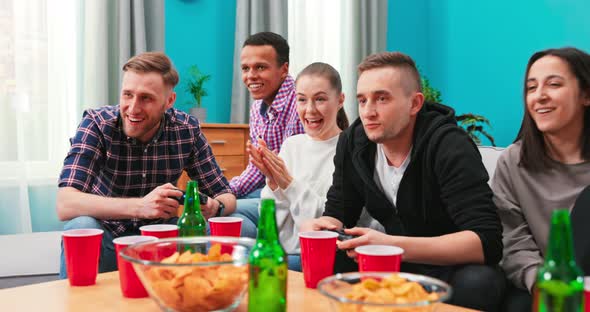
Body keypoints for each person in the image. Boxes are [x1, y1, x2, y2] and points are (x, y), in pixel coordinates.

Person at [301, 52, 505, 311]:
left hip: (448, 267)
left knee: (479, 283)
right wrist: (323, 228)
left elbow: (486, 241)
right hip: (390, 263)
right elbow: (339, 211)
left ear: (415, 104)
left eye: (381, 98)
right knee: (330, 262)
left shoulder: (448, 145)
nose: (368, 112)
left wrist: (392, 245)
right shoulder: (353, 142)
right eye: (362, 100)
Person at [56, 52, 236, 278]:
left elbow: (226, 195)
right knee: (80, 226)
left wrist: (215, 207)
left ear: (169, 101)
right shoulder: (96, 124)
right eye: (127, 95)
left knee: (231, 229)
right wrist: (141, 206)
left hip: (163, 242)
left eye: (146, 98)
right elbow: (65, 203)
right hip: (109, 240)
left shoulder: (186, 129)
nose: (133, 108)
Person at [493, 47, 590, 311]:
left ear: (586, 94)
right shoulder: (514, 163)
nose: (540, 96)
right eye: (531, 88)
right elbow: (512, 241)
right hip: (544, 286)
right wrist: (545, 284)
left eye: (554, 84)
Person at [248, 62, 349, 270]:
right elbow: (273, 225)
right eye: (302, 100)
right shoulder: (292, 145)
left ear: (340, 101)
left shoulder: (349, 150)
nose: (310, 110)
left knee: (248, 264)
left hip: (317, 254)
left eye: (320, 99)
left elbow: (326, 225)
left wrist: (288, 183)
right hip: (284, 248)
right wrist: (273, 183)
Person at [230, 32, 304, 237]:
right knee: (223, 212)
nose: (251, 76)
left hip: (297, 196)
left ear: (284, 69)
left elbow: (301, 174)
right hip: (270, 190)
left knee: (228, 215)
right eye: (246, 68)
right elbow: (257, 169)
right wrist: (225, 192)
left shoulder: (302, 102)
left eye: (260, 67)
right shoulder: (257, 108)